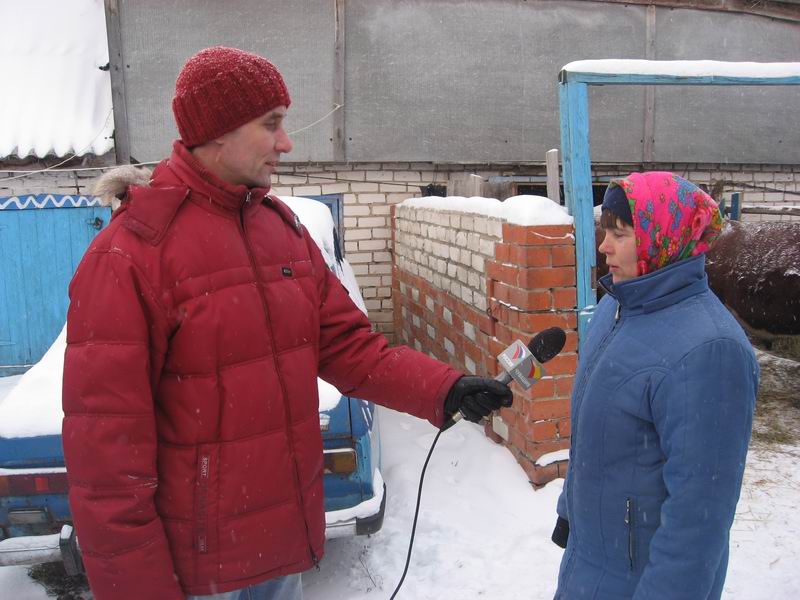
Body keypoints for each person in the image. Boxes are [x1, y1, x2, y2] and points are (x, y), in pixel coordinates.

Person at [61, 46, 512, 600]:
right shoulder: (131, 256)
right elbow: (108, 459)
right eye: (271, 124)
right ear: (217, 132)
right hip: (197, 572)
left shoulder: (282, 231)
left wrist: (446, 388)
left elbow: (350, 348)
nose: (286, 142)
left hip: (279, 555)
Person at [551, 172, 758, 599]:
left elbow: (697, 522)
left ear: (663, 239)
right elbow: (594, 435)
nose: (604, 246)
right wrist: (569, 512)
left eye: (620, 234)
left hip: (641, 580)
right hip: (589, 563)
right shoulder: (616, 307)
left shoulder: (710, 350)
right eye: (604, 231)